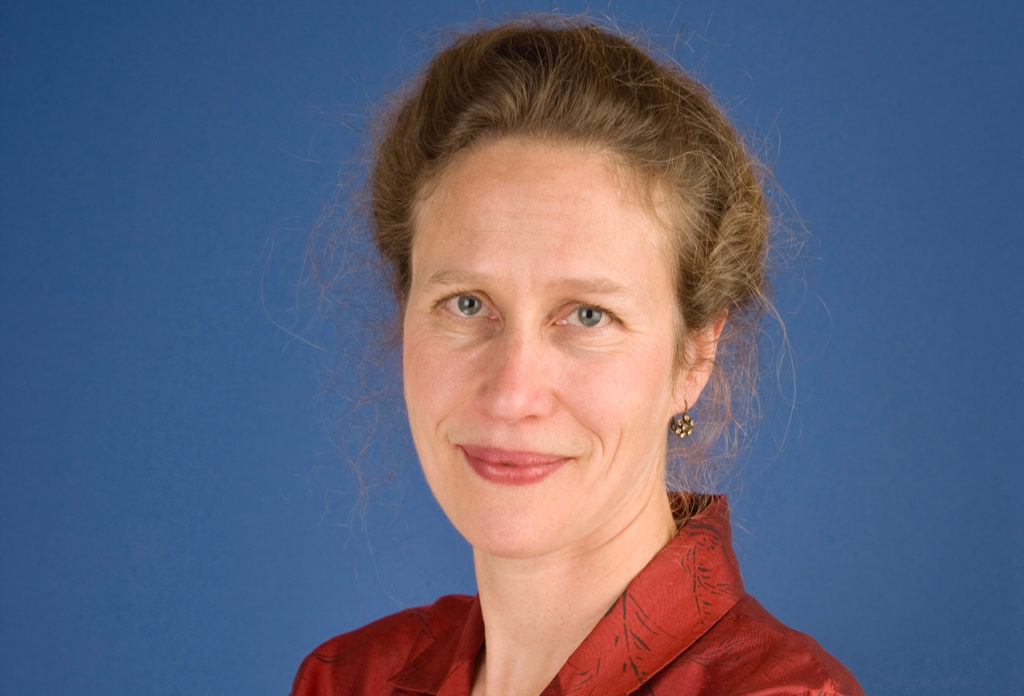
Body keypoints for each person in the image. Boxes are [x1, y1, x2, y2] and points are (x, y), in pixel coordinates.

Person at [291, 18, 864, 696]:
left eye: (588, 315)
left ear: (694, 357)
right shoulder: (347, 679)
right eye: (468, 304)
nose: (512, 393)